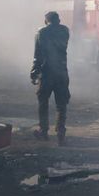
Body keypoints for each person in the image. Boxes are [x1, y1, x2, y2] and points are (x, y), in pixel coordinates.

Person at [30, 11, 70, 145]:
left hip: (46, 73)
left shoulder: (41, 32)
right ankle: (61, 132)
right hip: (62, 72)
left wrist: (34, 72)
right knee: (61, 104)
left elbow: (38, 54)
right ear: (59, 20)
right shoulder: (65, 31)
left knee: (43, 102)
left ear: (46, 21)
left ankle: (43, 131)